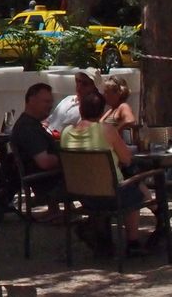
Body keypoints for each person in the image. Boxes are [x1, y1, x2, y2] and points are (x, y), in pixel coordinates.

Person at [60, 89, 143, 255]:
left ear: (81, 110)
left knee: (112, 187)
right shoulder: (106, 131)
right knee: (136, 189)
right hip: (112, 195)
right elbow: (127, 159)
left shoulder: (66, 133)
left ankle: (102, 240)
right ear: (102, 111)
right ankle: (133, 242)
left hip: (82, 195)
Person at [9, 83, 62, 202]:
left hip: (47, 180)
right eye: (46, 102)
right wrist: (66, 159)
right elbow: (44, 162)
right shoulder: (28, 128)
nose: (50, 106)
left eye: (51, 102)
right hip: (49, 184)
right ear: (31, 100)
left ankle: (54, 211)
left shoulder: (30, 124)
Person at [47, 69, 103, 133]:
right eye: (78, 81)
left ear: (94, 88)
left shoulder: (93, 109)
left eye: (85, 84)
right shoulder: (68, 99)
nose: (79, 86)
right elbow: (49, 120)